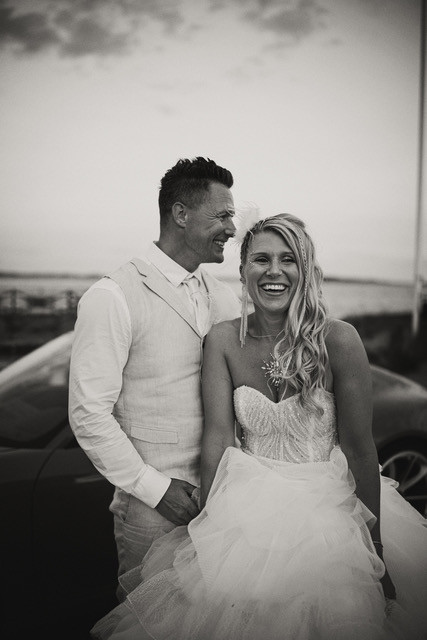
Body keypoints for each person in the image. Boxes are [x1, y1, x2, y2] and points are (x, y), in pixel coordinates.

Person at [91, 213, 427, 640]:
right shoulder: (223, 340)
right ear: (243, 269)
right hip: (246, 518)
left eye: (288, 260)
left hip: (332, 523)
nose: (274, 271)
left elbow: (361, 450)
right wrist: (205, 527)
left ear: (305, 270)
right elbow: (217, 438)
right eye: (261, 259)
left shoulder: (339, 341)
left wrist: (375, 553)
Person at [68, 157, 241, 592]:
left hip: (225, 503)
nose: (232, 229)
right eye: (222, 216)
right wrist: (155, 489)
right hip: (151, 512)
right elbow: (88, 414)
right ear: (181, 214)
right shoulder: (112, 296)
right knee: (150, 618)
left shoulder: (225, 298)